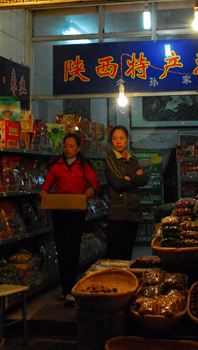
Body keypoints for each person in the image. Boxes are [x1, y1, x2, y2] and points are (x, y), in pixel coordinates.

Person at [39, 132, 100, 306]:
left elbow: (95, 184)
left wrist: (90, 191)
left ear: (79, 148)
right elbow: (47, 183)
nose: (68, 149)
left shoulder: (84, 166)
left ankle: (71, 288)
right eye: (65, 146)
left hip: (77, 213)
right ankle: (66, 289)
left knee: (73, 249)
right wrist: (43, 192)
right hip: (59, 213)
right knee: (62, 249)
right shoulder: (56, 165)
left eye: (71, 146)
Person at [105, 125, 148, 261]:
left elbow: (144, 179)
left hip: (133, 212)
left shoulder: (133, 159)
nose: (118, 141)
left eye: (121, 138)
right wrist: (135, 178)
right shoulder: (110, 158)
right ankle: (114, 281)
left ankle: (126, 280)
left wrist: (130, 178)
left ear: (127, 140)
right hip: (118, 213)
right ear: (111, 141)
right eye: (115, 139)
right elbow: (118, 183)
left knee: (127, 253)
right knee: (115, 254)